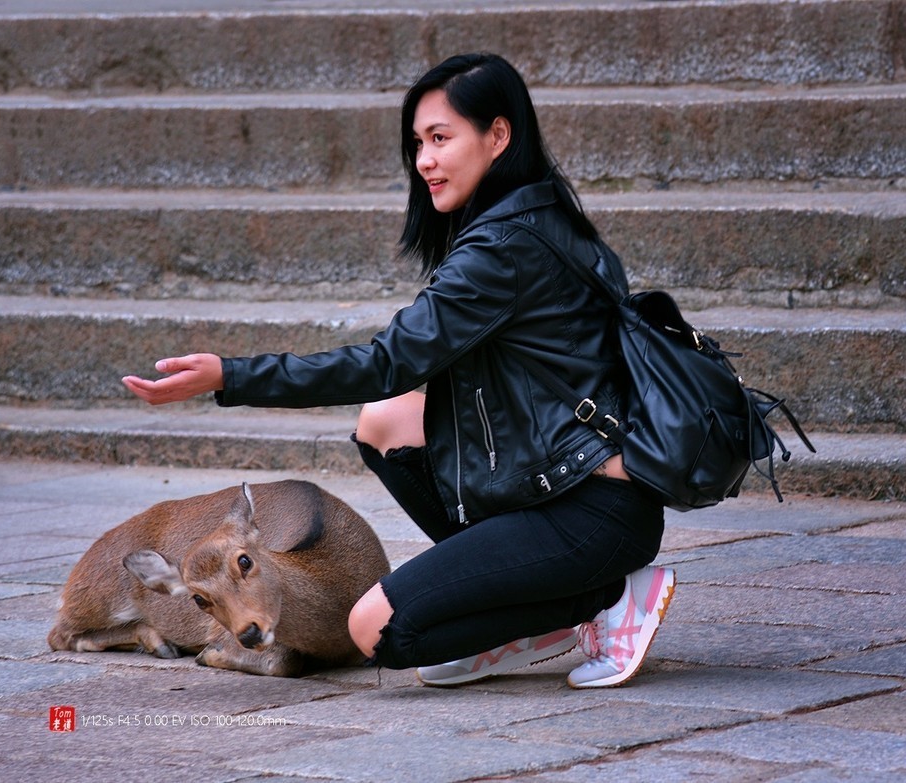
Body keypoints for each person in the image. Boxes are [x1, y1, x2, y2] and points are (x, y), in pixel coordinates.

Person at [122, 52, 675, 689]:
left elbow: (386, 361)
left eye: (441, 139)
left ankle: (604, 598)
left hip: (590, 511)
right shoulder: (538, 217)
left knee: (378, 632)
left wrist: (231, 376)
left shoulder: (503, 249)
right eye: (418, 143)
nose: (425, 161)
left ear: (499, 135)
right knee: (386, 422)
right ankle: (527, 600)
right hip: (566, 481)